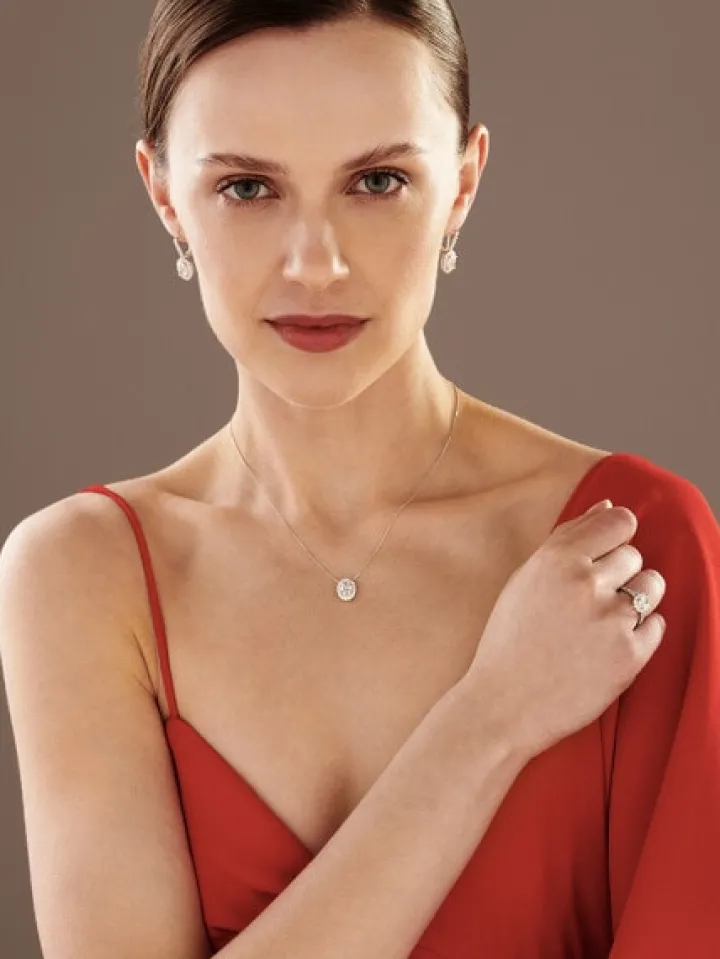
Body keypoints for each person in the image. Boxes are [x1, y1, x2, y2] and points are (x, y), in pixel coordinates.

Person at [1, 2, 718, 958]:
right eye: (248, 187)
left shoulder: (632, 549)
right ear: (165, 195)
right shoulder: (81, 576)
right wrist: (489, 719)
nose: (318, 263)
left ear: (462, 183)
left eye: (378, 181)